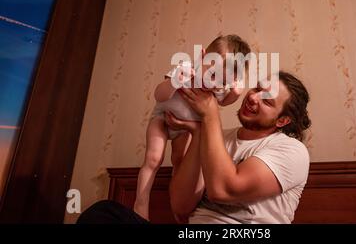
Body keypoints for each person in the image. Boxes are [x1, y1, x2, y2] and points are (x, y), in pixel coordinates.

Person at [77, 71, 311, 224]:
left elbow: (224, 190)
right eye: (257, 89)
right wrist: (199, 131)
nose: (254, 97)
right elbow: (181, 205)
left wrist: (209, 114)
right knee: (103, 215)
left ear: (282, 121)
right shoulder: (215, 135)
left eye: (267, 100)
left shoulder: (291, 150)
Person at [133, 35, 251, 221]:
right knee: (154, 159)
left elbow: (225, 102)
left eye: (222, 81)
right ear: (203, 56)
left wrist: (235, 94)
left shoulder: (217, 90)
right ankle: (141, 203)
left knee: (180, 161)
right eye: (212, 74)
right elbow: (159, 95)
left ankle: (177, 209)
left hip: (186, 130)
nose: (213, 84)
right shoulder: (185, 70)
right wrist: (173, 82)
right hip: (162, 120)